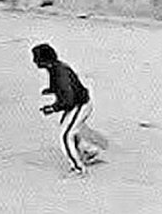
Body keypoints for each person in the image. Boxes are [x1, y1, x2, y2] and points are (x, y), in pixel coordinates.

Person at [34, 43, 107, 177]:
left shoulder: (59, 72)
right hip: (79, 103)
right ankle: (89, 151)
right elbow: (61, 85)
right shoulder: (55, 66)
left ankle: (78, 169)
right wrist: (51, 90)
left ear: (44, 60)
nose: (34, 61)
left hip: (80, 105)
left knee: (66, 135)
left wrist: (52, 108)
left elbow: (68, 100)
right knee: (68, 128)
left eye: (36, 58)